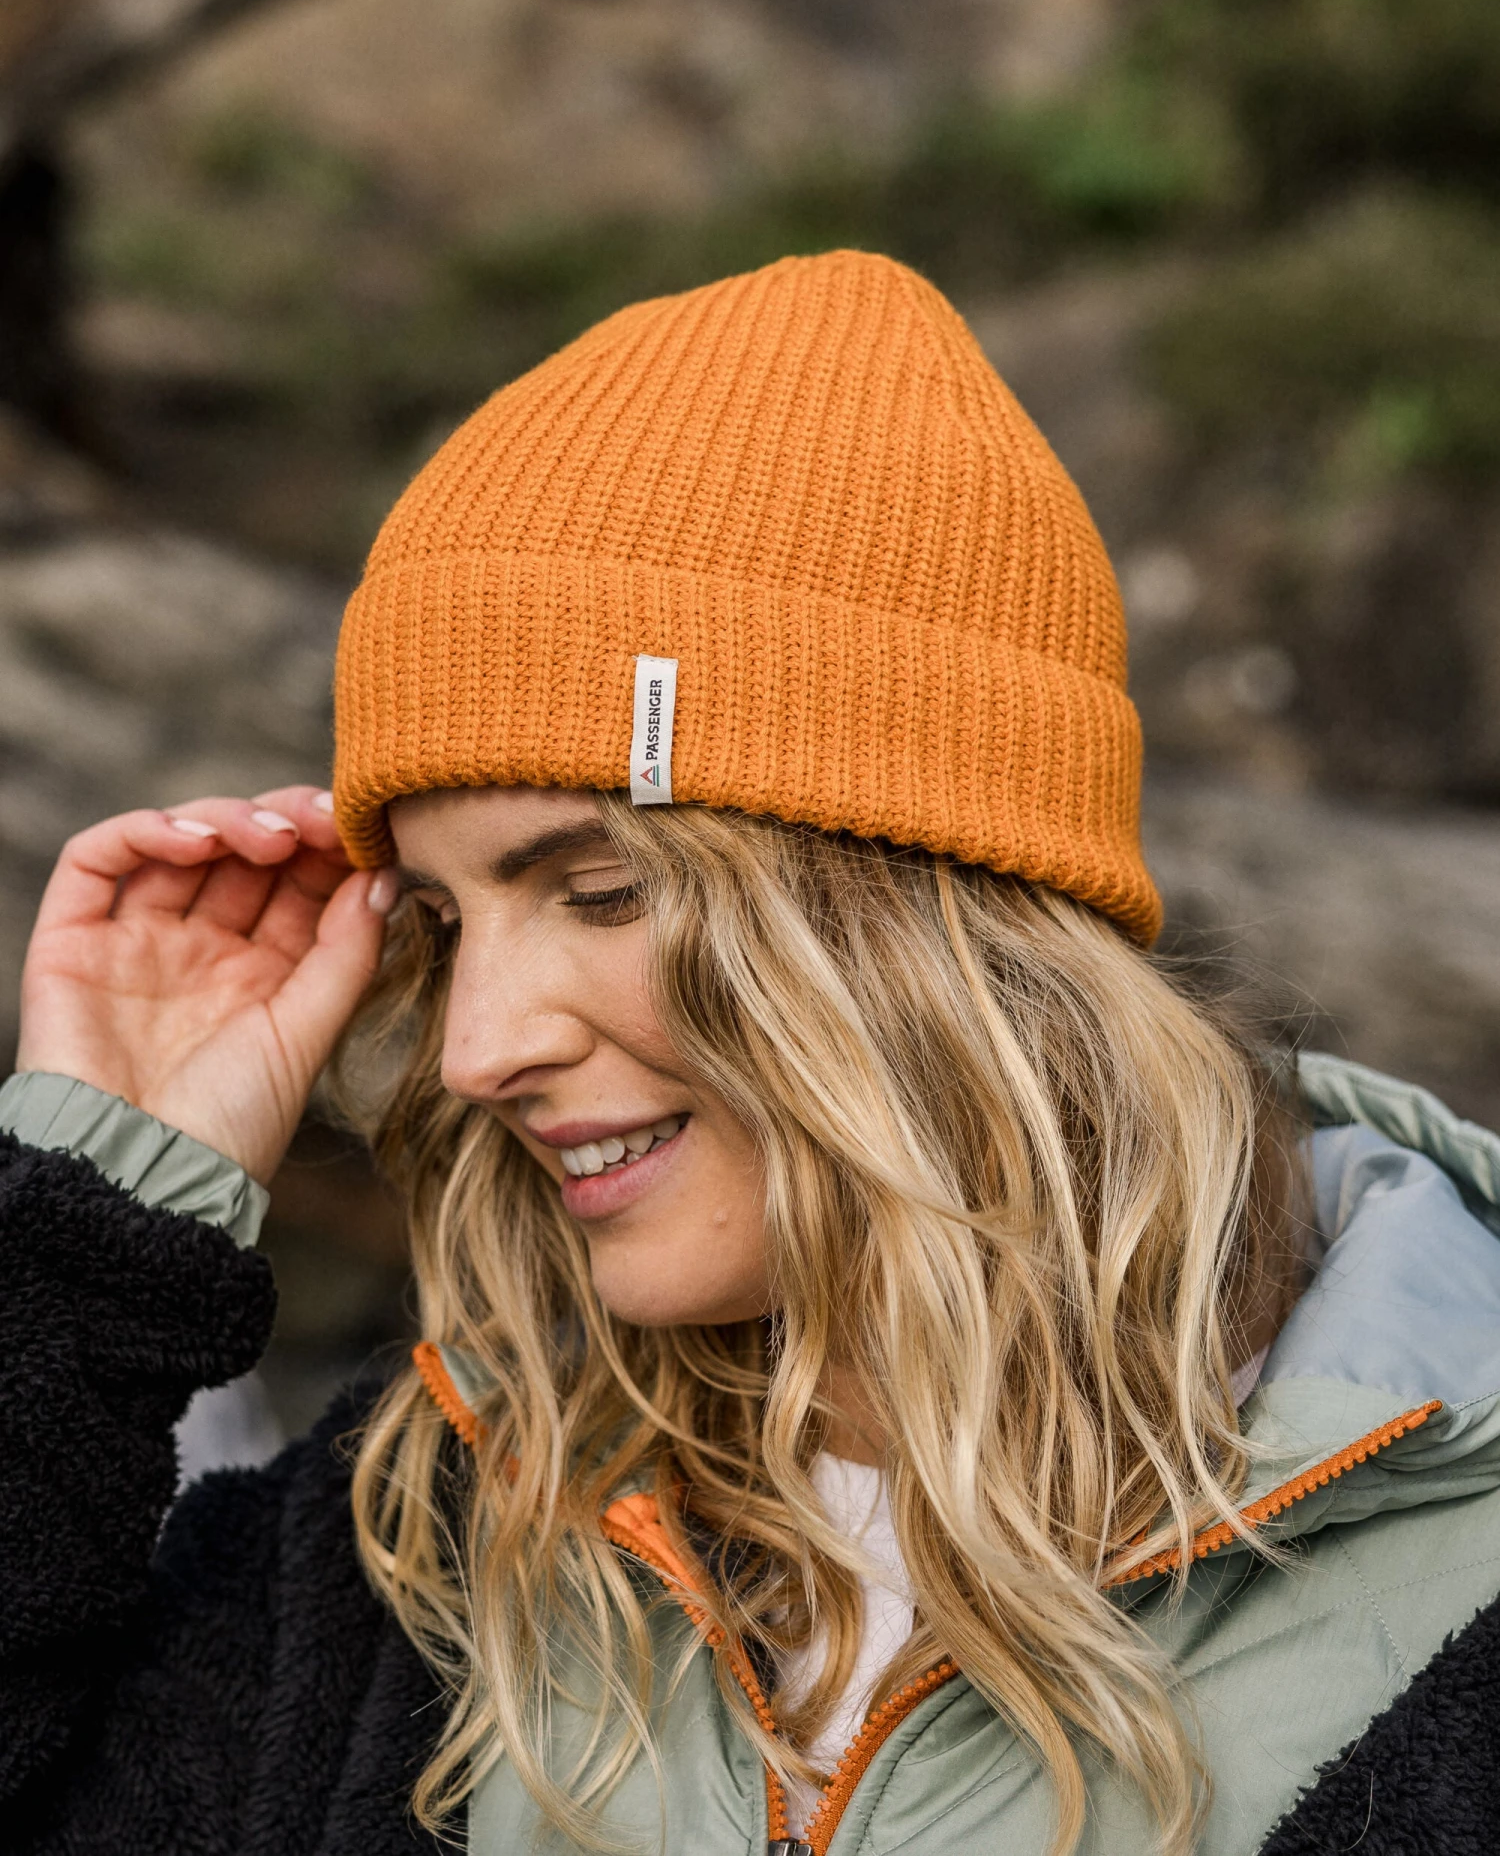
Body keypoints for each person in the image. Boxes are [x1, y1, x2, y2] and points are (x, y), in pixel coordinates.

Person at [3, 250, 1500, 1856]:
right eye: (437, 920)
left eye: (600, 889)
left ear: (941, 904)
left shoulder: (1457, 1605)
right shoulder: (430, 1533)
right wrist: (95, 1219)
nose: (478, 1045)